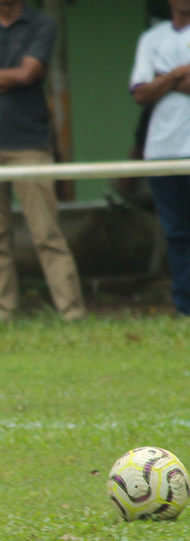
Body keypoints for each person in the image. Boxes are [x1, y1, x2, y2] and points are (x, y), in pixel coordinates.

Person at [0, 0, 86, 324]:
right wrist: (12, 77)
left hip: (30, 143)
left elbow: (30, 73)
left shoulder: (42, 24)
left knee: (46, 232)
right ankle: (3, 312)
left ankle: (72, 312)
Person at [129, 0, 190, 316]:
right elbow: (141, 94)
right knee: (177, 234)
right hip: (162, 151)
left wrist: (162, 80)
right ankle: (185, 307)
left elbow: (152, 87)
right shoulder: (151, 39)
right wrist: (179, 74)